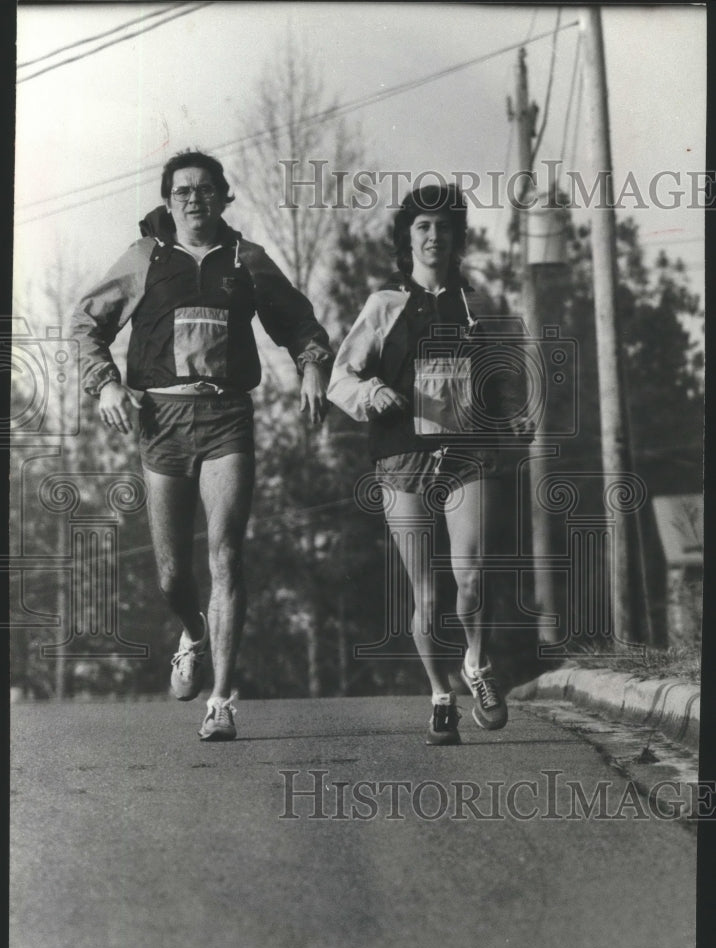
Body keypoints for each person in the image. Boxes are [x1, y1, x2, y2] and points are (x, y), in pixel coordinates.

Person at [72, 150, 333, 741]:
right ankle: (193, 632)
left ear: (223, 197)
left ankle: (221, 700)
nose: (195, 200)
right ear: (168, 202)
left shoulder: (246, 259)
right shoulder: (145, 258)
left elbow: (299, 323)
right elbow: (87, 323)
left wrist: (313, 365)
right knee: (171, 575)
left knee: (226, 555)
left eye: (206, 190)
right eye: (184, 191)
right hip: (161, 418)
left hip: (225, 418)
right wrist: (106, 383)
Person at [327, 184, 533, 745]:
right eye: (422, 227)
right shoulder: (384, 305)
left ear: (457, 237)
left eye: (443, 227)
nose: (433, 236)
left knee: (472, 576)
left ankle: (477, 665)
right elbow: (340, 376)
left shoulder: (477, 305)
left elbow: (506, 377)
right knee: (428, 593)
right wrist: (372, 393)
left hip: (470, 453)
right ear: (408, 238)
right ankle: (441, 694)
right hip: (402, 459)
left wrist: (516, 414)